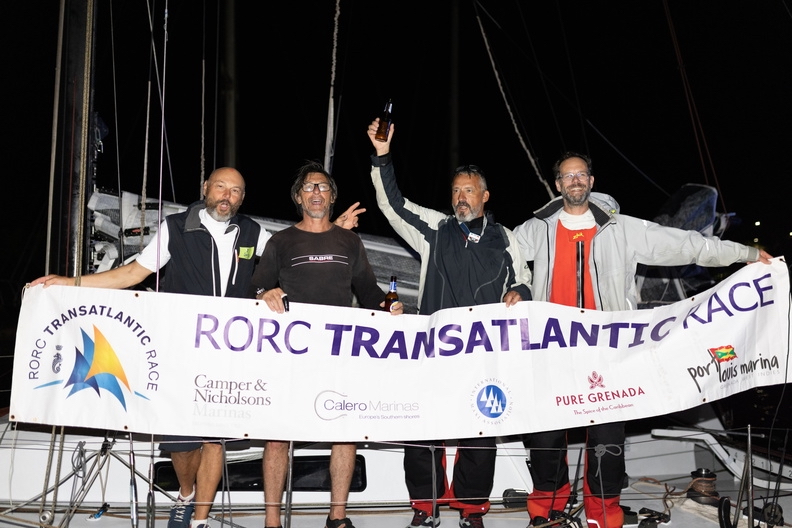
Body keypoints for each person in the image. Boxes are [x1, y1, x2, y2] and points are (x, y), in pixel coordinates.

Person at [31, 167, 364, 528]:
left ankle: (200, 517)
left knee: (215, 438)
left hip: (234, 352)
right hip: (184, 350)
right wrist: (71, 282)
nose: (227, 196)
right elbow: (131, 275)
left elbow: (296, 250)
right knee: (182, 442)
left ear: (242, 198)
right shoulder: (175, 228)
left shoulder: (253, 232)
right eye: (221, 187)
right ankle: (186, 494)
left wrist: (336, 233)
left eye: (236, 191)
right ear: (206, 188)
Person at [512, 151, 773, 528]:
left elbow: (687, 244)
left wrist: (744, 253)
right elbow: (505, 256)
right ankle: (547, 510)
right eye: (568, 177)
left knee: (606, 440)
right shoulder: (537, 228)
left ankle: (603, 514)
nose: (575, 182)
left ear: (591, 180)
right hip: (553, 349)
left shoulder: (622, 228)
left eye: (581, 175)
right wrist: (518, 284)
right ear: (557, 185)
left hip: (609, 351)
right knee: (546, 437)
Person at [366, 119, 532, 528]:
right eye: (456, 190)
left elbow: (526, 279)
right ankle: (426, 509)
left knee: (479, 435)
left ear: (485, 196)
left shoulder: (505, 238)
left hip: (483, 354)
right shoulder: (434, 230)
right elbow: (394, 204)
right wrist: (382, 156)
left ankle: (472, 511)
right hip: (432, 352)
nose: (461, 197)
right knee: (423, 432)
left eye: (469, 190)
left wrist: (524, 293)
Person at [251, 161, 402, 528]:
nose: (316, 193)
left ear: (332, 197)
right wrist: (263, 292)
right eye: (309, 187)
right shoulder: (280, 241)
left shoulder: (349, 241)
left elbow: (368, 292)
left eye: (323, 187)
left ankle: (337, 517)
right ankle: (272, 521)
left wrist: (389, 305)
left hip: (337, 355)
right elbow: (256, 286)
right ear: (298, 197)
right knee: (276, 438)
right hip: (289, 356)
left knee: (345, 432)